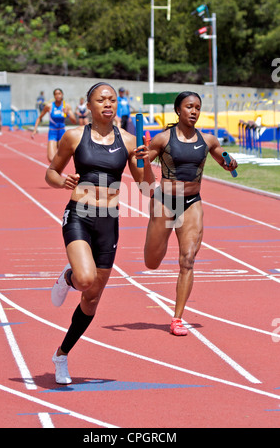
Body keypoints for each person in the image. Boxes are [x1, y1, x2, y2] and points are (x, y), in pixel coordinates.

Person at [46, 82, 153, 384]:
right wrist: (62, 181)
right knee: (84, 279)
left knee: (91, 299)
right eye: (101, 99)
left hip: (109, 219)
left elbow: (146, 186)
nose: (108, 104)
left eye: (113, 100)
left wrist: (145, 160)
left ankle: (61, 355)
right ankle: (69, 277)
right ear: (89, 105)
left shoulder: (130, 141)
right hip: (79, 213)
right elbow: (51, 172)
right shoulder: (74, 136)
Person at [144, 91, 238, 336]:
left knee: (187, 259)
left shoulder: (207, 140)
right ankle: (162, 239)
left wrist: (230, 162)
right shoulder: (162, 139)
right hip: (164, 202)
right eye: (189, 107)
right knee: (151, 263)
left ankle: (177, 318)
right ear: (178, 110)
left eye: (197, 107)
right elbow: (142, 174)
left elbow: (224, 158)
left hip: (192, 202)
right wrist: (142, 160)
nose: (194, 111)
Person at [32, 88, 77, 162]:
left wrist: (67, 113)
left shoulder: (66, 106)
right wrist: (34, 130)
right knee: (51, 158)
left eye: (59, 93)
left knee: (63, 158)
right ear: (54, 96)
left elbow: (74, 121)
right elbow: (39, 118)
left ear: (62, 95)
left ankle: (58, 172)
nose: (58, 95)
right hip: (52, 132)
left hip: (62, 133)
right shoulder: (49, 106)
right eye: (56, 94)